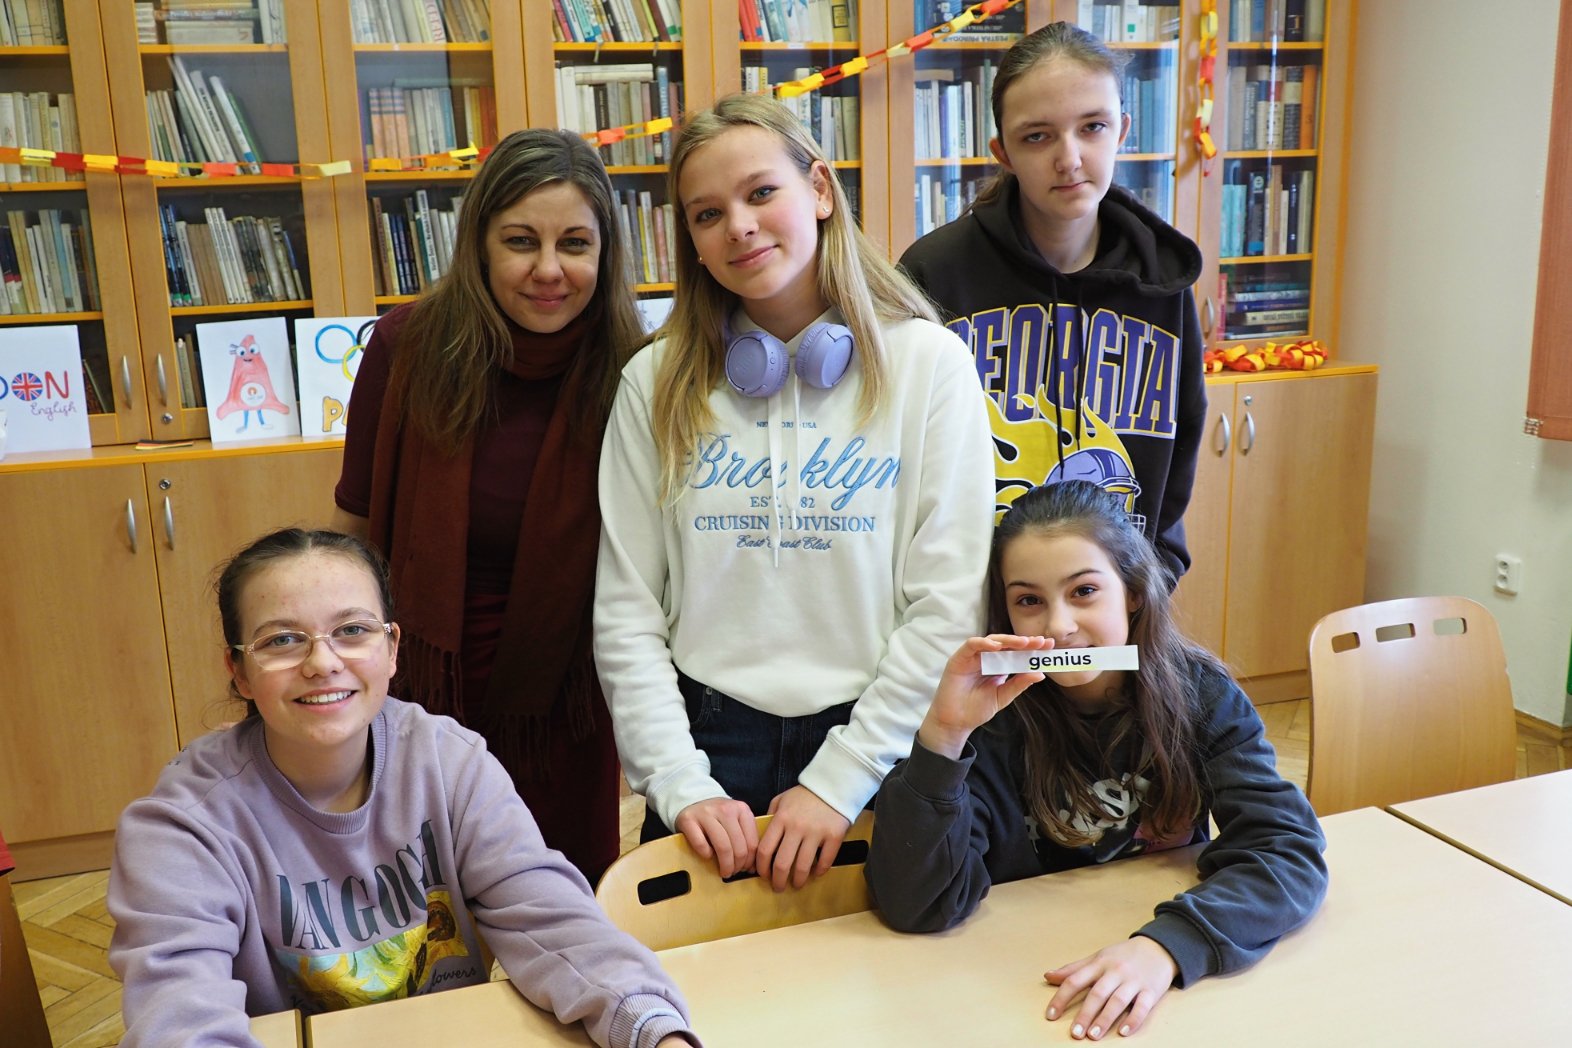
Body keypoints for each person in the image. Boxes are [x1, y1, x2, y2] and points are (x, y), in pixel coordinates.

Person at [594, 94, 995, 892]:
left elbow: (949, 604)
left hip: (881, 736)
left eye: (760, 193)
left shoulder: (930, 365)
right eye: (708, 214)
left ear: (818, 189)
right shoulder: (654, 381)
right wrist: (678, 781)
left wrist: (842, 778)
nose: (738, 226)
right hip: (709, 748)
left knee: (885, 962)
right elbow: (627, 611)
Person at [107, 529, 698, 1048]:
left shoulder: (451, 764)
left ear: (391, 649)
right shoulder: (183, 824)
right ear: (238, 670)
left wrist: (653, 1030)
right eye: (282, 640)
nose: (322, 662)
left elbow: (552, 925)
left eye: (352, 630)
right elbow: (178, 1012)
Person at [866, 480, 1326, 1040]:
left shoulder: (1201, 695)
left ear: (1132, 592)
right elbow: (915, 906)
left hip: (1162, 977)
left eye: (1083, 591)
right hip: (1017, 983)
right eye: (1029, 601)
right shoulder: (991, 717)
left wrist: (1167, 947)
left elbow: (1287, 850)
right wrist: (944, 736)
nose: (1058, 627)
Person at [333, 129, 644, 883]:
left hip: (565, 699)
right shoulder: (407, 348)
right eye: (520, 241)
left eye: (575, 243)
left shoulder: (634, 369)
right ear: (479, 244)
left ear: (605, 254)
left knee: (558, 899)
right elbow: (354, 527)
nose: (549, 269)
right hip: (421, 687)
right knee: (423, 906)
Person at [898, 22, 1207, 583]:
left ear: (1122, 130)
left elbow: (1182, 443)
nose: (1069, 158)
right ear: (1004, 152)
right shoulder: (933, 273)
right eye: (1038, 136)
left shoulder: (1163, 278)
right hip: (973, 598)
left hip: (1120, 600)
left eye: (1092, 127)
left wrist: (1149, 583)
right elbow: (903, 454)